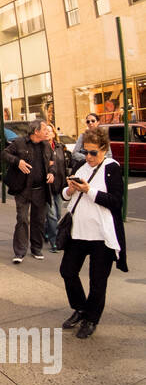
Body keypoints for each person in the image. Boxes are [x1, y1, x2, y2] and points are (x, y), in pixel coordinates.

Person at [59, 124, 128, 338]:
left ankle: (91, 318)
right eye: (86, 151)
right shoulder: (80, 165)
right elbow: (65, 195)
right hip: (78, 232)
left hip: (102, 236)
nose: (88, 156)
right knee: (67, 271)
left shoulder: (112, 168)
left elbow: (116, 202)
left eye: (93, 152)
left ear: (104, 149)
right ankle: (80, 308)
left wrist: (89, 191)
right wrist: (69, 190)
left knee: (97, 281)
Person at [3, 120, 54, 264]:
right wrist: (17, 161)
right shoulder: (19, 143)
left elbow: (52, 162)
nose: (47, 132)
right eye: (44, 129)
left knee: (38, 220)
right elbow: (5, 154)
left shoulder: (46, 145)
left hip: (41, 190)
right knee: (22, 219)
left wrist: (52, 173)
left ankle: (36, 248)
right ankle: (19, 252)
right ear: (36, 131)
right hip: (23, 189)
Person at [43, 123, 69, 253]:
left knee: (58, 213)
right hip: (46, 187)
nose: (47, 132)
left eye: (49, 131)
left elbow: (63, 166)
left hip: (59, 185)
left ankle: (46, 230)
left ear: (54, 133)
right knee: (52, 215)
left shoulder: (60, 147)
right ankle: (55, 241)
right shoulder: (40, 148)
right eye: (45, 131)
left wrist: (66, 181)